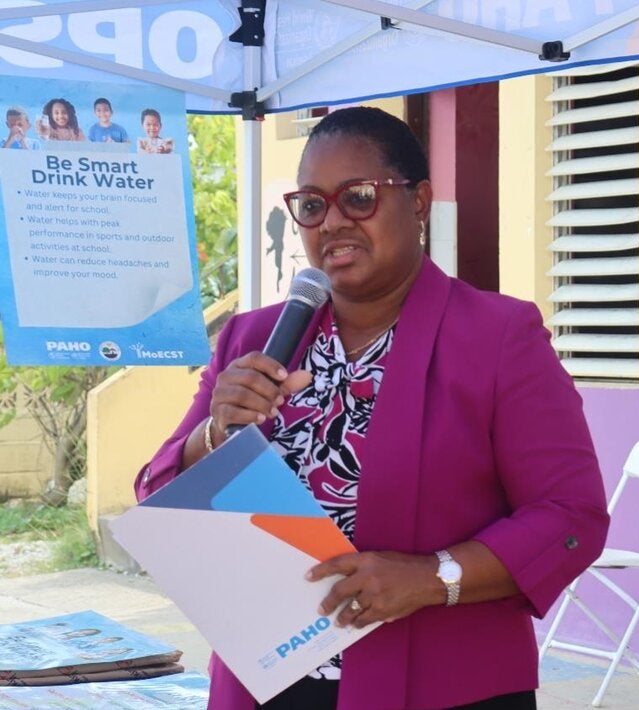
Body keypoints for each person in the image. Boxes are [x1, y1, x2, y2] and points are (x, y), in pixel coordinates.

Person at [135, 106, 610, 710]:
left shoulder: (497, 336)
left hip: (439, 687)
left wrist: (435, 577)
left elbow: (570, 516)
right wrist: (213, 430)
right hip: (266, 681)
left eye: (358, 197)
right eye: (311, 205)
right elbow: (161, 491)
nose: (332, 222)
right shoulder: (250, 339)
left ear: (419, 202)